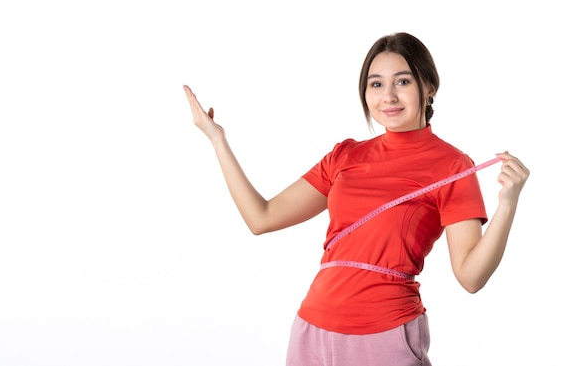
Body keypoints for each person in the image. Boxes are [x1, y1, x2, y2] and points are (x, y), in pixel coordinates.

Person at [183, 32, 529, 366]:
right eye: (376, 84)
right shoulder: (345, 156)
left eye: (403, 81)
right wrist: (218, 141)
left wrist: (508, 204)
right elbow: (262, 218)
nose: (388, 96)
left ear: (429, 88)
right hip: (312, 329)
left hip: (386, 335)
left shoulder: (452, 166)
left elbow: (471, 277)